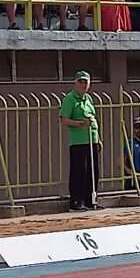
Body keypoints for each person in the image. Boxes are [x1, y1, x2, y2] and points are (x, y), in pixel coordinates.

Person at [59, 71, 100, 211]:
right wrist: (81, 124)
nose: (83, 85)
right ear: (75, 83)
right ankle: (77, 200)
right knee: (79, 171)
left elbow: (93, 119)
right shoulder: (70, 99)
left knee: (92, 171)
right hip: (79, 141)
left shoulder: (88, 98)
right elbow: (64, 120)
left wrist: (98, 139)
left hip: (92, 139)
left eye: (86, 82)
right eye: (80, 82)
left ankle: (91, 200)